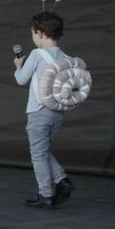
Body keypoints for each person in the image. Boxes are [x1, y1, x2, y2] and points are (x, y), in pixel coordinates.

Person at [13, 11, 74, 209]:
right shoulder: (66, 57)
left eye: (32, 33)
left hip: (39, 111)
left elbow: (21, 79)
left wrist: (18, 66)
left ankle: (46, 195)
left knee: (38, 154)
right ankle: (62, 180)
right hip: (57, 112)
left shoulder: (36, 54)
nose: (33, 36)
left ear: (39, 33)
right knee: (43, 149)